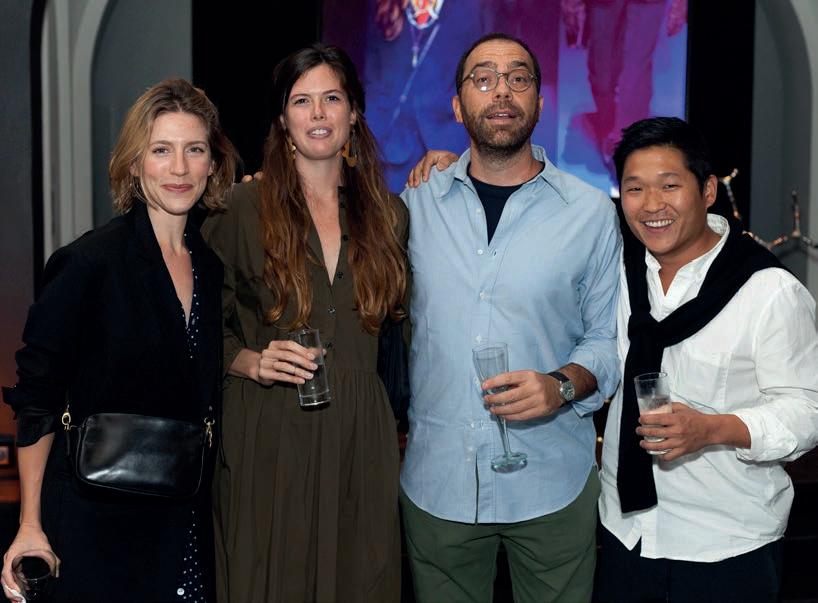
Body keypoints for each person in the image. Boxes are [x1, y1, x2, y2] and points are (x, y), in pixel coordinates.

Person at [399, 33, 620, 602]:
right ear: (458, 106)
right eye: (483, 78)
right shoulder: (414, 206)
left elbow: (607, 339)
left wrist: (560, 386)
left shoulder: (591, 212)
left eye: (518, 78)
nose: (501, 90)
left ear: (539, 102)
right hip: (439, 483)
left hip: (552, 482)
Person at [1, 78, 239, 602]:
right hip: (97, 525)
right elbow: (37, 398)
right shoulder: (89, 263)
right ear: (134, 164)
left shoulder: (209, 266)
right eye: (161, 150)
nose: (179, 168)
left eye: (194, 150)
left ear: (212, 164)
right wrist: (30, 524)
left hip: (183, 523)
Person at [201, 44, 409, 603]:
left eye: (332, 98)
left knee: (360, 580)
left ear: (354, 113)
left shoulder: (389, 215)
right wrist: (250, 360)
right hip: (270, 430)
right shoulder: (239, 208)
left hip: (361, 436)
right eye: (301, 101)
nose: (318, 113)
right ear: (282, 120)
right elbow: (194, 327)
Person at [595, 117, 818, 602]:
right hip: (624, 533)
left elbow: (807, 412)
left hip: (726, 545)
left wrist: (713, 429)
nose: (652, 204)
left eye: (669, 185)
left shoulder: (768, 290)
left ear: (708, 190)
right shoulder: (617, 273)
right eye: (635, 188)